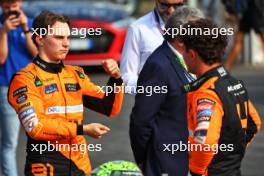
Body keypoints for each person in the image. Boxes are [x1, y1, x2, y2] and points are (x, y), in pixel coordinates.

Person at [8, 11, 124, 175]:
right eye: (59, 38)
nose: (66, 44)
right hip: (46, 166)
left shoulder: (76, 74)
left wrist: (116, 79)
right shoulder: (25, 79)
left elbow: (109, 107)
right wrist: (82, 129)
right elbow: (36, 126)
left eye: (68, 38)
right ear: (40, 39)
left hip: (80, 166)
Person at [178, 19, 262, 175]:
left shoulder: (206, 93)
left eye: (184, 51)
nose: (182, 56)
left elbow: (206, 142)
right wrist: (231, 153)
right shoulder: (233, 82)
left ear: (192, 54)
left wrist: (196, 171)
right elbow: (254, 123)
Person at [129, 6, 204, 176]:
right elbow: (140, 121)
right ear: (179, 38)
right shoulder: (158, 66)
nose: (202, 38)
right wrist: (146, 160)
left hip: (189, 160)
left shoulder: (190, 60)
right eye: (198, 33)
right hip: (166, 164)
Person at [0, 0, 37, 175]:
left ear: (20, 3)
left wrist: (25, 28)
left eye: (13, 6)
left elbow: (37, 55)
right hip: (7, 88)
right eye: (6, 6)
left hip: (32, 89)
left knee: (41, 137)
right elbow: (1, 58)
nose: (10, 10)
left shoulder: (30, 24)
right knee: (10, 143)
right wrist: (4, 32)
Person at [120, 0, 186, 94]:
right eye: (164, 5)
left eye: (177, 6)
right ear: (156, 1)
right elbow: (126, 77)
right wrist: (153, 89)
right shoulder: (137, 29)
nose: (171, 11)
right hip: (154, 105)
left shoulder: (194, 26)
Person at [223, 0, 264, 70]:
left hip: (256, 10)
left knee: (262, 37)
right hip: (248, 11)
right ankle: (226, 68)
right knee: (238, 40)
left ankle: (226, 68)